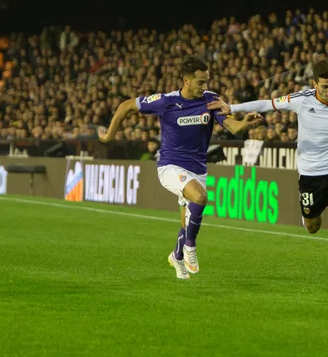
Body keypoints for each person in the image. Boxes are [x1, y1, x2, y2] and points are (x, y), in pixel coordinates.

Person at [208, 59, 328, 269]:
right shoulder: (301, 99)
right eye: (325, 86)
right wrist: (232, 107)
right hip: (310, 174)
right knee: (312, 226)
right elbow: (267, 104)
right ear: (315, 84)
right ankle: (311, 213)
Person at [98, 56, 262, 280]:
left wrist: (245, 123)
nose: (205, 87)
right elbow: (126, 105)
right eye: (200, 83)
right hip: (170, 166)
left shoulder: (211, 100)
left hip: (198, 169)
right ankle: (190, 249)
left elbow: (233, 127)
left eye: (206, 82)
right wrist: (108, 136)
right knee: (201, 198)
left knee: (188, 220)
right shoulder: (166, 101)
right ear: (186, 81)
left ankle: (176, 256)